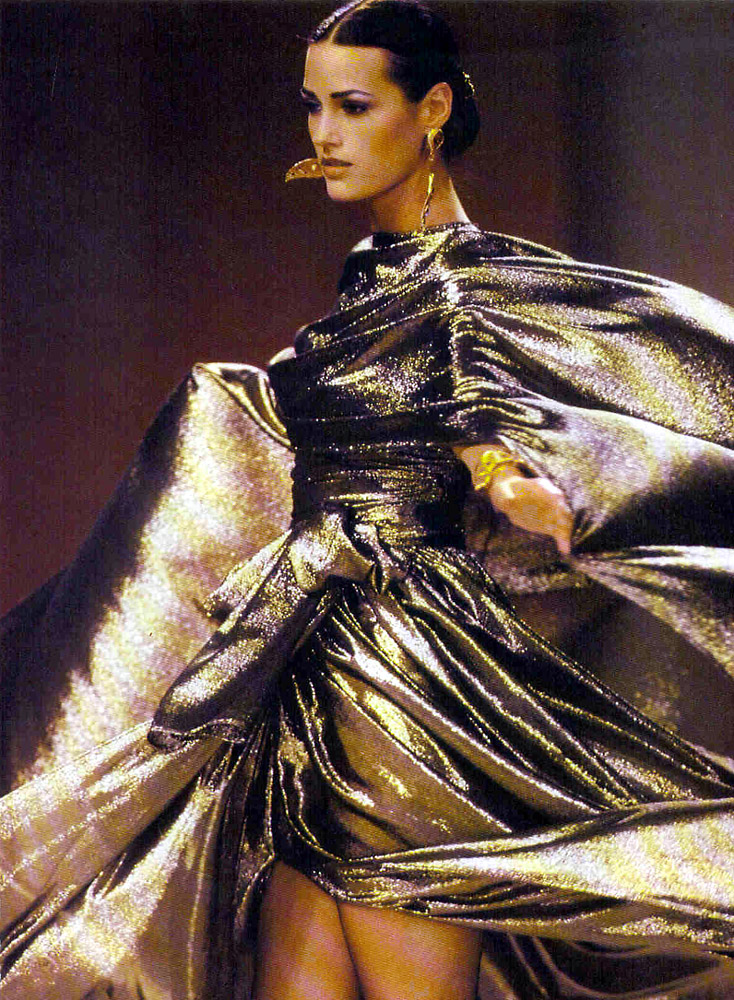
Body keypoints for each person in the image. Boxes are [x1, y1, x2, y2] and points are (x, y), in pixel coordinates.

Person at [2, 1, 734, 998]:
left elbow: (482, 417)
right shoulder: (368, 279)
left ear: (430, 110)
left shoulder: (462, 288)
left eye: (353, 106)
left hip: (399, 668)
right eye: (313, 106)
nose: (325, 133)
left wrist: (521, 487)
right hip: (306, 658)